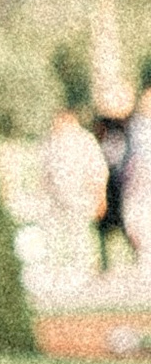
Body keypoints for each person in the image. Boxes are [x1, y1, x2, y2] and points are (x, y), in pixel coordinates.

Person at [41, 104, 109, 273]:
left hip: (80, 195)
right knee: (57, 235)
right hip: (56, 198)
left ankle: (84, 271)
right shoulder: (52, 141)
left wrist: (100, 196)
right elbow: (45, 171)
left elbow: (98, 170)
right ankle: (62, 271)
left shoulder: (84, 140)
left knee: (80, 234)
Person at [92, 92, 135, 270]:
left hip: (116, 183)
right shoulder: (105, 135)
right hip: (109, 183)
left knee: (121, 223)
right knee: (104, 226)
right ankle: (105, 262)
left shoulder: (121, 132)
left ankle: (134, 255)